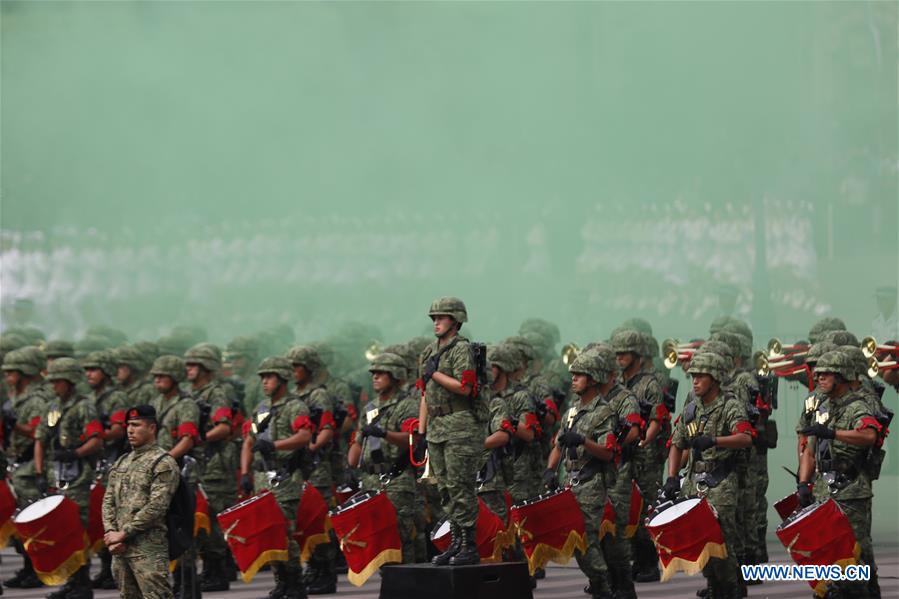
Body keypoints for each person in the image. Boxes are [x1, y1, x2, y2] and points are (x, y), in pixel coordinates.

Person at [663, 352, 753, 599]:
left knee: (722, 538)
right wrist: (672, 477)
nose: (695, 381)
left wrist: (715, 440)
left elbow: (745, 438)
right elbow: (676, 443)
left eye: (701, 376)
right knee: (701, 539)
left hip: (721, 480)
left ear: (715, 379)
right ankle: (714, 585)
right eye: (693, 376)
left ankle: (732, 588)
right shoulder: (691, 408)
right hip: (694, 481)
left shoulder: (730, 405)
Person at [797, 351, 882, 598]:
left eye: (826, 374)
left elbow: (869, 435)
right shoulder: (821, 408)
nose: (819, 377)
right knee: (831, 550)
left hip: (852, 489)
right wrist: (803, 484)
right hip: (825, 489)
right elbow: (810, 451)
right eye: (818, 373)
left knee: (857, 552)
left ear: (842, 375)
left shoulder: (857, 406)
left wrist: (834, 434)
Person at [544, 349, 619, 599]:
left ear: (594, 378)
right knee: (576, 540)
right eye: (573, 374)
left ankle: (604, 585)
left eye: (579, 375)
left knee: (586, 538)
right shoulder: (571, 412)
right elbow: (558, 445)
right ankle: (599, 583)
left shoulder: (604, 413)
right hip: (571, 482)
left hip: (591, 482)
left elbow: (608, 453)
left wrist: (583, 441)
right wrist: (549, 471)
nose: (573, 378)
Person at [240, 356, 313, 599]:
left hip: (285, 478)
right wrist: (244, 473)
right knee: (266, 533)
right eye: (262, 377)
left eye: (269, 377)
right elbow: (249, 441)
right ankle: (280, 580)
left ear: (282, 379)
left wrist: (275, 445)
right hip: (262, 478)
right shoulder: (260, 408)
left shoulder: (296, 407)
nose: (264, 382)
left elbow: (304, 436)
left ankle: (294, 581)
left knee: (283, 532)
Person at [418, 297, 482, 567]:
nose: (436, 322)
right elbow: (424, 394)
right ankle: (456, 542)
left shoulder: (461, 349)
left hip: (459, 425)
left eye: (441, 318)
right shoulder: (428, 352)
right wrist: (421, 432)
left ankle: (469, 545)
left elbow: (465, 388)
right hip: (436, 427)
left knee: (460, 486)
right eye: (434, 318)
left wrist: (435, 374)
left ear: (455, 321)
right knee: (444, 489)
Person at [35, 358, 103, 599]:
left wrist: (75, 453)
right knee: (61, 530)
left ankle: (82, 583)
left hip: (78, 478)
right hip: (57, 476)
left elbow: (96, 439)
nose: (54, 385)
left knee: (76, 528)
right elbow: (40, 439)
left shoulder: (84, 406)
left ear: (70, 381)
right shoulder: (52, 406)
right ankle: (72, 581)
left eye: (58, 381)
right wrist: (39, 472)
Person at [347, 352, 420, 562]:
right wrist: (350, 467)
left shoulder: (407, 405)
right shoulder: (370, 408)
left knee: (401, 534)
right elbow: (358, 440)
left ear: (395, 375)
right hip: (371, 480)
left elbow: (413, 439)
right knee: (377, 538)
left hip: (396, 478)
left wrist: (385, 434)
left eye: (381, 373)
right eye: (374, 373)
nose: (375, 377)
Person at [102, 405, 180, 599]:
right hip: (120, 549)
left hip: (147, 549)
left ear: (152, 428)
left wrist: (123, 533)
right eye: (128, 425)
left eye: (136, 425)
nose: (130, 430)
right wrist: (111, 533)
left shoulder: (162, 462)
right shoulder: (122, 462)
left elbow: (157, 506)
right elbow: (108, 500)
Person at [611, 329, 668, 583]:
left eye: (625, 353)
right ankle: (633, 560)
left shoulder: (650, 383)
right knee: (625, 507)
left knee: (647, 508)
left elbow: (657, 418)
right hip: (626, 454)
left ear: (637, 355)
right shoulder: (618, 384)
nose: (620, 357)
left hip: (646, 456)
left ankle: (649, 563)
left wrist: (645, 441)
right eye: (618, 353)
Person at [183, 343, 235, 592]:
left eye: (194, 364)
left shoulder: (217, 393)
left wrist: (198, 439)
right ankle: (212, 566)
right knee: (198, 518)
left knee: (213, 518)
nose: (189, 369)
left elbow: (224, 427)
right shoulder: (188, 394)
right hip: (195, 465)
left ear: (206, 367)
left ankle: (218, 569)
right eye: (188, 364)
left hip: (215, 464)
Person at [287, 345, 338, 594]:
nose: (293, 371)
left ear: (308, 368)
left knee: (318, 520)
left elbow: (327, 428)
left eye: (297, 366)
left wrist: (312, 447)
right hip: (295, 469)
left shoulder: (318, 395)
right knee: (302, 523)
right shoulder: (290, 395)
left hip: (316, 466)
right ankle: (311, 567)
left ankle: (325, 571)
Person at [2, 346, 50, 590]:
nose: (7, 376)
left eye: (11, 372)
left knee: (31, 523)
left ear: (25, 373)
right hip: (16, 465)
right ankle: (27, 567)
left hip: (31, 466)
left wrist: (14, 425)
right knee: (17, 524)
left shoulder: (37, 400)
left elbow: (36, 432)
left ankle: (37, 571)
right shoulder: (14, 398)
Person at [82, 350, 128, 589]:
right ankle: (104, 567)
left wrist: (95, 437)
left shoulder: (116, 398)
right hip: (95, 464)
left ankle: (115, 571)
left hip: (114, 462)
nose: (89, 374)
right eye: (87, 370)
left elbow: (119, 429)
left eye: (94, 369)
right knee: (99, 517)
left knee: (113, 517)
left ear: (106, 372)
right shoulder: (89, 399)